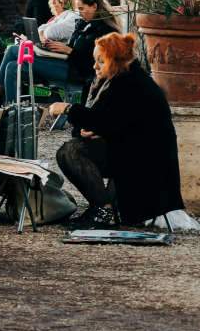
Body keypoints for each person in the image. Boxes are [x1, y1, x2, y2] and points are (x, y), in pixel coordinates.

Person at [45, 32, 187, 229]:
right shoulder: (117, 79)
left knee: (70, 152)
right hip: (129, 151)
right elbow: (103, 121)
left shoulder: (132, 83)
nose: (95, 66)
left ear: (115, 61)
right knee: (74, 147)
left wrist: (68, 109)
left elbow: (103, 120)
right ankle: (105, 208)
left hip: (145, 162)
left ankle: (103, 210)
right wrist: (89, 128)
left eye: (101, 61)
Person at [0, 0, 120, 118]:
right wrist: (56, 47)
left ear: (94, 6)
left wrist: (70, 51)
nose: (79, 13)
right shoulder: (83, 23)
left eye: (82, 9)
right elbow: (74, 46)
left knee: (14, 50)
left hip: (78, 71)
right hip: (66, 62)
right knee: (13, 67)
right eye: (77, 9)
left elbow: (93, 60)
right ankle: (11, 113)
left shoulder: (104, 30)